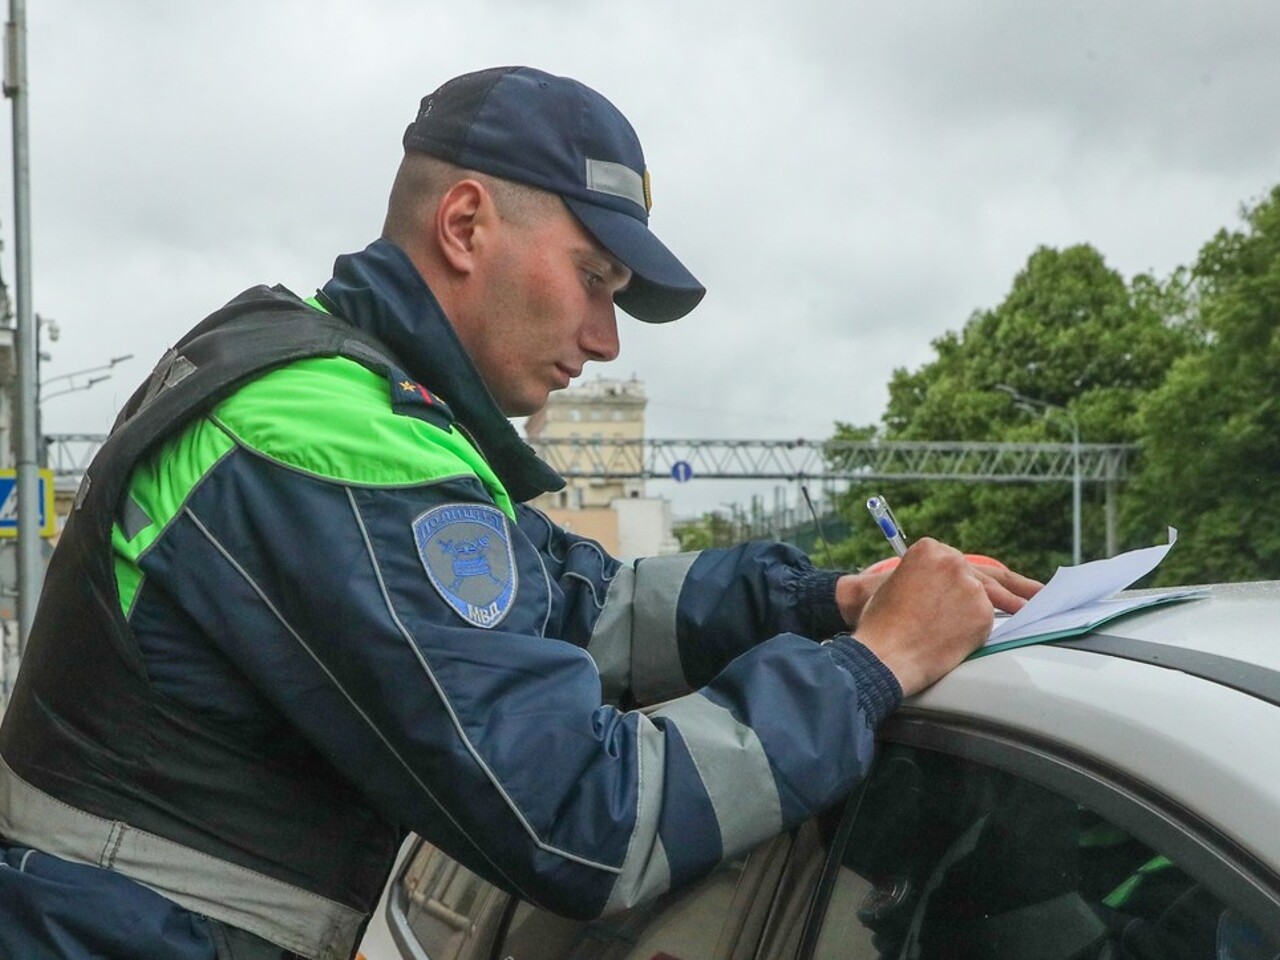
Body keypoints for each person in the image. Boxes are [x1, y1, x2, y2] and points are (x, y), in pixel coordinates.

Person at [0, 66, 1039, 960]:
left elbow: (577, 602)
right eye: (594, 280)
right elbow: (583, 819)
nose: (604, 339)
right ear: (463, 225)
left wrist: (822, 597)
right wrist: (873, 667)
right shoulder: (330, 442)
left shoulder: (337, 391)